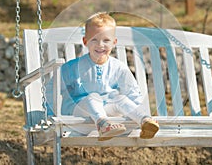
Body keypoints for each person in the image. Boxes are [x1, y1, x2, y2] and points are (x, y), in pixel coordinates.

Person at [60, 12, 159, 141]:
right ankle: (103, 125)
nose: (100, 45)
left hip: (107, 110)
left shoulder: (119, 67)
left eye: (106, 40)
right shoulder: (72, 67)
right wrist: (50, 115)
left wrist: (136, 111)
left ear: (114, 42)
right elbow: (55, 89)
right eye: (94, 39)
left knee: (120, 98)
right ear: (85, 41)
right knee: (93, 97)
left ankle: (145, 121)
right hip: (80, 110)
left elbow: (132, 92)